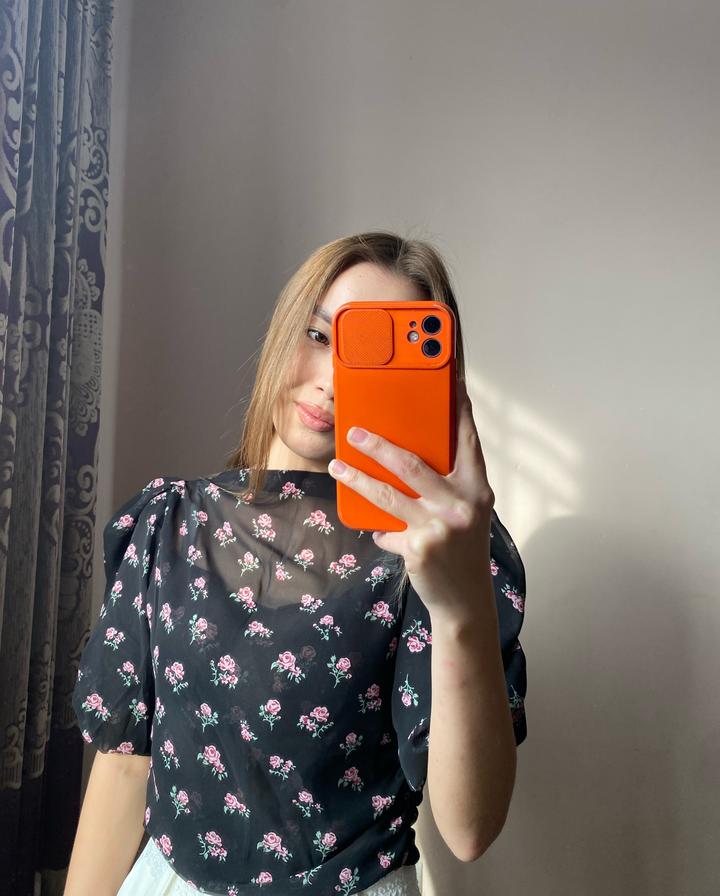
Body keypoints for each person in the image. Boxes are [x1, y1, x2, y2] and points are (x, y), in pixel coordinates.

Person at [64, 232, 527, 896]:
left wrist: (460, 609)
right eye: (317, 334)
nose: (332, 380)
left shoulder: (432, 553)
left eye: (370, 360)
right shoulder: (169, 523)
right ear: (283, 330)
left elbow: (468, 829)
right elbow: (123, 766)